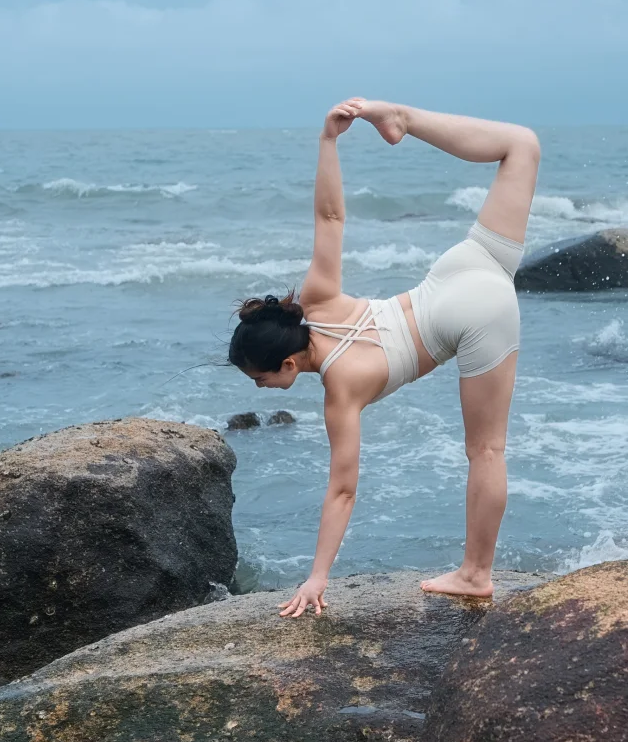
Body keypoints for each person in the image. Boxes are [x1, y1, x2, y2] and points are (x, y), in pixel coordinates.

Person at [227, 100, 540, 619]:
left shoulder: (340, 391)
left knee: (487, 450)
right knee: (521, 144)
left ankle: (475, 575)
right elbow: (330, 215)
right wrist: (328, 141)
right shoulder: (318, 298)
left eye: (259, 380)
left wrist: (317, 578)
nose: (259, 389)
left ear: (286, 366)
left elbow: (343, 491)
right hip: (462, 269)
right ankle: (402, 119)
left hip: (475, 317)